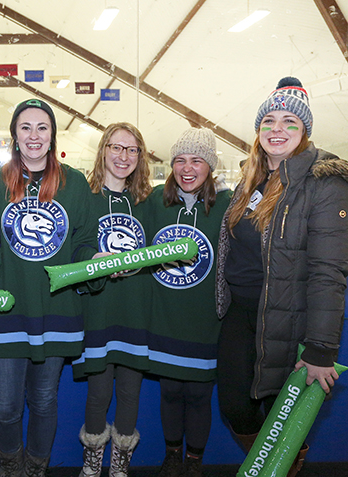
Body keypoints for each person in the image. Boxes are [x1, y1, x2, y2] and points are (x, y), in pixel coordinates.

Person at [0, 98, 97, 477]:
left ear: (53, 133)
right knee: (5, 406)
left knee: (43, 401)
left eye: (42, 127)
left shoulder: (74, 183)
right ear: (14, 135)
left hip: (56, 312)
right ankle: (10, 464)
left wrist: (93, 262)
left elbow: (84, 242)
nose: (34, 135)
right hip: (6, 315)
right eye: (25, 127)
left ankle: (36, 467)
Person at [216, 77, 348, 476]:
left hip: (288, 316)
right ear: (258, 130)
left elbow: (330, 270)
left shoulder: (324, 182)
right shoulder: (250, 178)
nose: (278, 129)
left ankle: (284, 468)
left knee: (282, 415)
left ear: (304, 130)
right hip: (240, 313)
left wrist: (321, 348)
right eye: (269, 120)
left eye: (290, 121)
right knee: (236, 408)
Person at [145, 127, 230, 477]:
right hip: (164, 317)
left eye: (197, 160)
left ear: (209, 165)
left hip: (206, 320)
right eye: (180, 160)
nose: (187, 168)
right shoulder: (154, 200)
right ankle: (171, 456)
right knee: (170, 392)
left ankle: (194, 462)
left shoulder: (227, 205)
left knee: (197, 395)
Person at [74, 123, 153, 477]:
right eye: (116, 148)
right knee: (99, 392)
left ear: (140, 157)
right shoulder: (85, 198)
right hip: (98, 311)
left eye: (131, 150)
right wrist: (92, 258)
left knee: (130, 392)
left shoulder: (148, 203)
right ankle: (92, 458)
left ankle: (120, 460)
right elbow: (74, 246)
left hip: (135, 311)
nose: (123, 157)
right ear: (103, 150)